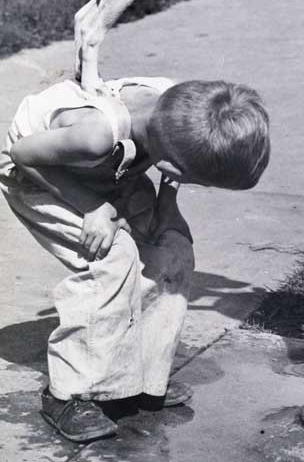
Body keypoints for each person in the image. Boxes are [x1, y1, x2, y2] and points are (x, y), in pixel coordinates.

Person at [0, 76, 270, 443]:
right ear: (174, 167)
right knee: (113, 257)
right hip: (40, 173)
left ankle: (142, 376)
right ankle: (69, 393)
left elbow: (171, 169)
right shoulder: (96, 133)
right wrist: (92, 206)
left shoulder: (182, 111)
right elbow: (22, 155)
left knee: (172, 247)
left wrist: (168, 207)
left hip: (110, 171)